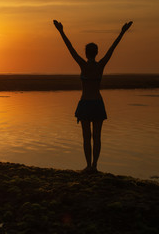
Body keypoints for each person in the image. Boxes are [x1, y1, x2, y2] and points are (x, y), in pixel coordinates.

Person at [53, 19, 133, 173]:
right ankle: (94, 166)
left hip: (86, 103)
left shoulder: (83, 65)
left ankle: (89, 166)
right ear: (96, 53)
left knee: (86, 138)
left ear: (86, 53)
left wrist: (61, 31)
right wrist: (122, 32)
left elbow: (70, 49)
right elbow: (112, 48)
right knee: (96, 137)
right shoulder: (100, 65)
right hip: (96, 103)